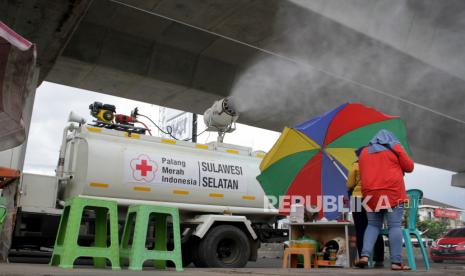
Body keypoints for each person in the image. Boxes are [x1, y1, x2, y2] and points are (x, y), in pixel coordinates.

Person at [355, 129, 414, 270]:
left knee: (373, 225)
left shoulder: (363, 152)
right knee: (394, 225)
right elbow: (409, 167)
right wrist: (399, 148)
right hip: (392, 192)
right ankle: (396, 262)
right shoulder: (394, 146)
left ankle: (364, 256)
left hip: (370, 194)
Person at [347, 160, 385, 268]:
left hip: (356, 199)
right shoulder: (378, 164)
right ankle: (379, 259)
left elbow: (349, 184)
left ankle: (363, 260)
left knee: (360, 229)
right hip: (374, 197)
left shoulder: (355, 165)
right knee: (375, 227)